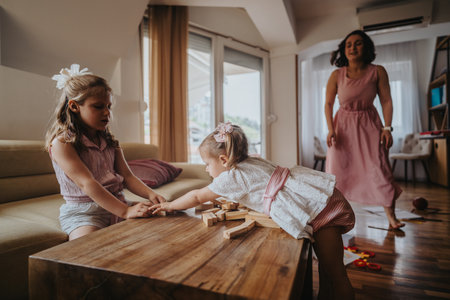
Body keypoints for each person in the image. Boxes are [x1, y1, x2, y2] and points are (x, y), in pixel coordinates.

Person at [150, 122, 355, 300]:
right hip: (317, 198)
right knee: (327, 272)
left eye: (206, 164)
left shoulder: (232, 177)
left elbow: (196, 196)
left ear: (223, 160)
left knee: (336, 275)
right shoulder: (250, 161)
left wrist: (168, 205)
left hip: (320, 208)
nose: (205, 170)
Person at [46, 64, 166, 240]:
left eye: (109, 106)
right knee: (87, 250)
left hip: (118, 203)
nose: (107, 113)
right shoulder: (62, 143)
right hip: (85, 214)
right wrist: (125, 211)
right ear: (74, 106)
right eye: (98, 106)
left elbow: (128, 177)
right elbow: (87, 183)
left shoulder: (109, 141)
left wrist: (152, 194)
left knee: (159, 232)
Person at [324, 30, 403, 229]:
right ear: (344, 49)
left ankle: (391, 218)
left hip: (370, 126)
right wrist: (330, 129)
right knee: (338, 173)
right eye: (349, 44)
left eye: (358, 43)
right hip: (343, 130)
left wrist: (387, 128)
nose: (353, 48)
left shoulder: (378, 71)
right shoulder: (337, 75)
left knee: (380, 170)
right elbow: (328, 104)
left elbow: (386, 101)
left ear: (366, 47)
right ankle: (337, 218)